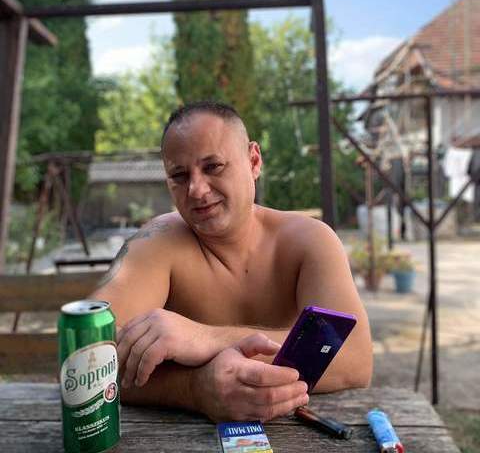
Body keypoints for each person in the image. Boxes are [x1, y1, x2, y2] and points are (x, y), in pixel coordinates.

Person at [90, 100, 372, 423]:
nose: (196, 190)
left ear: (253, 161)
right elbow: (87, 355)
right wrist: (194, 389)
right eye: (179, 175)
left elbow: (355, 360)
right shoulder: (156, 243)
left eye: (213, 167)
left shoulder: (309, 241)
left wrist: (203, 338)